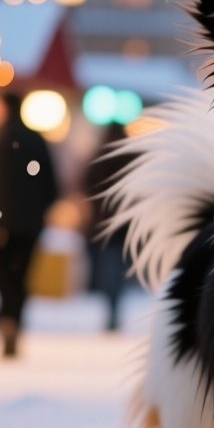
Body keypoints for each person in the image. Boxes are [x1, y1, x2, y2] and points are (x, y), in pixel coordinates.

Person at [0, 89, 60, 358]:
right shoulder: (37, 141)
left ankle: (6, 322)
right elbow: (52, 187)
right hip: (30, 226)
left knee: (2, 276)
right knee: (21, 277)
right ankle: (15, 323)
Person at [81, 123, 132, 333]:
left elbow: (86, 184)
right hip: (125, 223)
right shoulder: (131, 156)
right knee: (119, 267)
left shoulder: (99, 156)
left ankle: (109, 306)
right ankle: (114, 307)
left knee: (106, 267)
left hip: (102, 223)